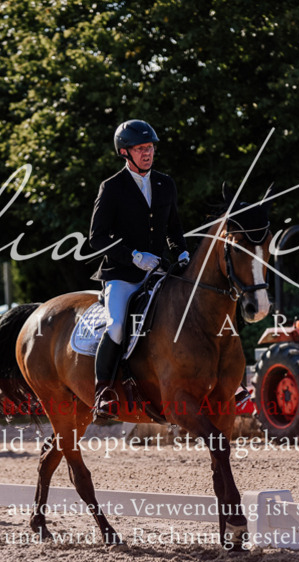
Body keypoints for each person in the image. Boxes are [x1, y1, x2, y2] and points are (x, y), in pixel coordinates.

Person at [87, 119, 190, 421]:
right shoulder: (112, 187)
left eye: (151, 147)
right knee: (118, 324)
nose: (148, 153)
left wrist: (182, 252)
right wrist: (133, 256)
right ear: (125, 152)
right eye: (141, 148)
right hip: (122, 275)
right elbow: (96, 238)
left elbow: (174, 228)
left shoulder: (164, 183)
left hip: (157, 272)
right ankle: (103, 391)